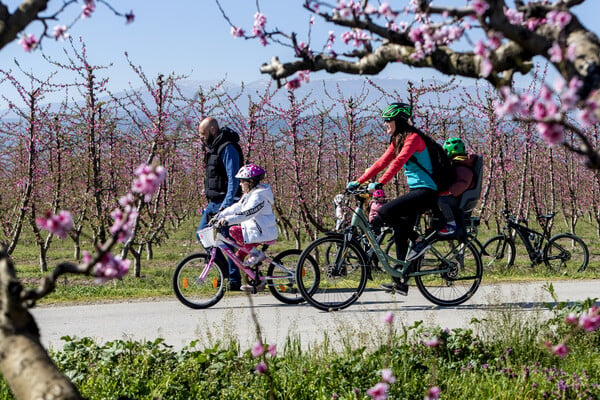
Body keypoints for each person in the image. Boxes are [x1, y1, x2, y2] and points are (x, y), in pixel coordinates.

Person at [346, 102, 439, 296]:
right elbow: (382, 162)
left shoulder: (413, 138)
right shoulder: (397, 139)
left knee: (384, 211)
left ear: (399, 121)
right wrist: (358, 181)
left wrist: (380, 183)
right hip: (416, 191)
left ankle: (420, 241)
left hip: (426, 191)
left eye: (388, 120)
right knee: (399, 233)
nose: (385, 124)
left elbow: (398, 162)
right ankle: (400, 282)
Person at [197, 117, 244, 291]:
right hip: (214, 203)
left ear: (212, 130)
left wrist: (227, 204)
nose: (201, 138)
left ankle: (234, 281)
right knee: (202, 235)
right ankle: (224, 272)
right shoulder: (214, 148)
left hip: (225, 202)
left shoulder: (227, 148)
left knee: (229, 242)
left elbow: (233, 178)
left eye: (203, 134)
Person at [215, 164, 278, 292]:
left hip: (261, 232)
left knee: (233, 230)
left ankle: (256, 254)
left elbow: (246, 213)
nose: (240, 184)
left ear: (250, 181)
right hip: (254, 231)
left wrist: (228, 220)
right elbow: (237, 207)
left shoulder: (259, 196)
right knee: (237, 258)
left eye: (242, 181)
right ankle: (258, 280)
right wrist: (219, 215)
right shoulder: (250, 194)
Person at [437, 137, 477, 236]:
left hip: (459, 199)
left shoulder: (463, 167)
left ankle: (451, 224)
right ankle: (439, 223)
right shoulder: (461, 164)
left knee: (442, 201)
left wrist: (449, 192)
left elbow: (462, 183)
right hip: (458, 197)